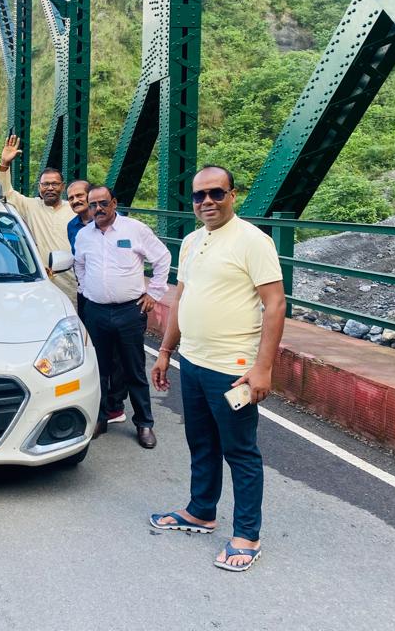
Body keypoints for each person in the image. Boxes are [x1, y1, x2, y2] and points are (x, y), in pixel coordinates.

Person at [150, 165, 285, 572]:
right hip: (192, 361)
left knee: (240, 451)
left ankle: (247, 534)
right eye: (198, 196)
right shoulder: (192, 241)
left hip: (233, 369)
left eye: (216, 193)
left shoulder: (252, 241)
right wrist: (165, 351)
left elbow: (275, 304)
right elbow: (181, 298)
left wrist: (263, 368)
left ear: (232, 195)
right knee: (201, 442)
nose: (206, 202)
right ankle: (200, 511)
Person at [74, 186, 170, 447]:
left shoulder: (134, 229)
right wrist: (85, 289)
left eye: (103, 203)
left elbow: (162, 258)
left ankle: (144, 424)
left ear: (114, 203)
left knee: (133, 368)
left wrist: (154, 294)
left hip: (130, 310)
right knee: (99, 369)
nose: (98, 209)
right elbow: (79, 264)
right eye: (92, 205)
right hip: (96, 310)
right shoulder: (83, 235)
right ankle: (101, 418)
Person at [0, 135, 76, 302]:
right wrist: (5, 164)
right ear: (39, 187)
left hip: (72, 281)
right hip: (41, 279)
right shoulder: (31, 206)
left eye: (54, 184)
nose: (50, 188)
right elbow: (6, 193)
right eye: (45, 184)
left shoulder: (74, 209)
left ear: (62, 186)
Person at [66, 179, 93, 316]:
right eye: (71, 198)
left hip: (113, 295)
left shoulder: (111, 221)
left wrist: (153, 293)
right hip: (85, 292)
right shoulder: (72, 226)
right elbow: (78, 259)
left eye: (80, 195)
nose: (75, 200)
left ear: (91, 195)